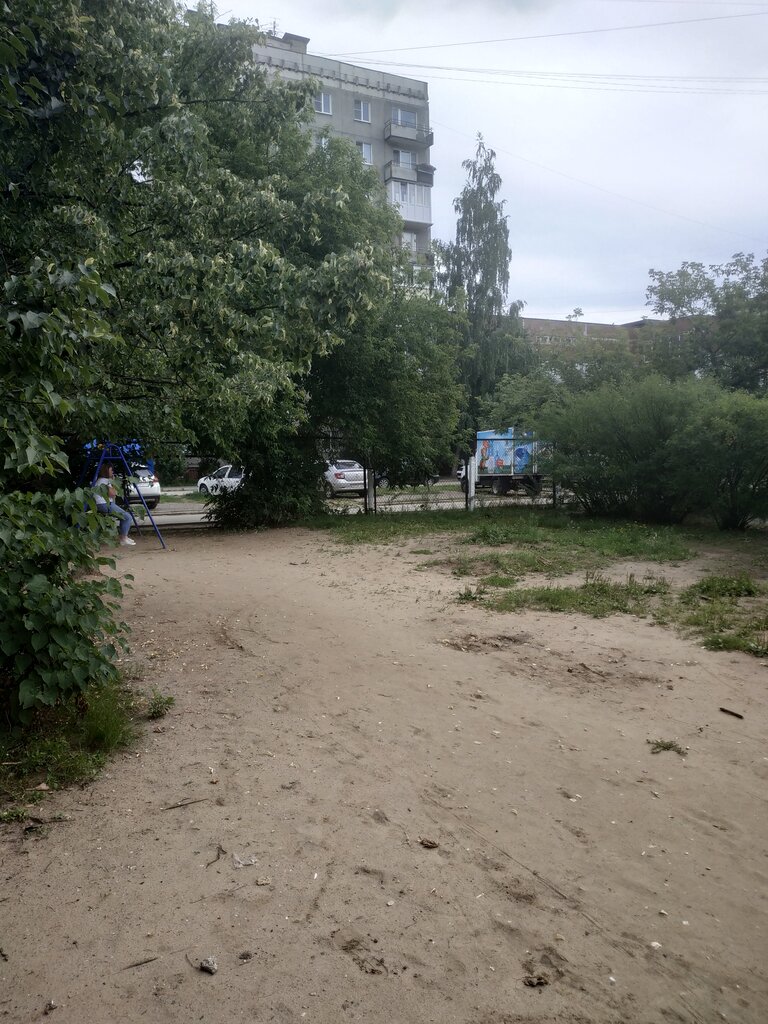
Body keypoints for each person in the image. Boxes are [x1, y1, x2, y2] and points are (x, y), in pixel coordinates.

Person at [93, 464, 135, 546]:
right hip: (104, 504)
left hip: (102, 503)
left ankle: (124, 537)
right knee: (127, 517)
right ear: (106, 471)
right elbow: (113, 494)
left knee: (125, 516)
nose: (113, 472)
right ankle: (123, 538)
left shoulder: (100, 480)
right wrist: (114, 483)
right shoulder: (104, 481)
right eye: (111, 470)